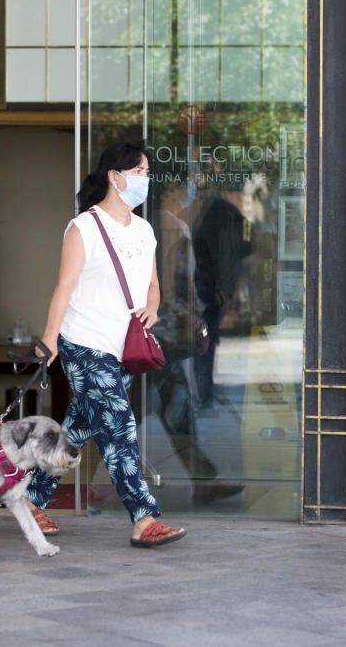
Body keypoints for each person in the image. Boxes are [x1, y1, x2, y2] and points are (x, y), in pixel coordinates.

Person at [27, 141, 186, 548]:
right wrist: (49, 339)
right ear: (116, 177)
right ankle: (143, 517)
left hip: (123, 349)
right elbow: (64, 286)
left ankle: (29, 499)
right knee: (120, 428)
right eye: (140, 173)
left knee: (78, 430)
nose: (146, 180)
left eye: (147, 173)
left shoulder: (145, 230)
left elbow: (153, 285)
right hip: (84, 343)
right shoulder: (84, 227)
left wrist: (153, 308)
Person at [152, 177, 244, 504]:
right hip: (157, 338)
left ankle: (204, 479)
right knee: (109, 415)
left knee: (173, 410)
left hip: (150, 337)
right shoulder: (173, 231)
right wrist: (193, 317)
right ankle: (56, 486)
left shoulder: (152, 227)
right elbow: (174, 293)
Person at [192, 175, 252, 410]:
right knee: (206, 340)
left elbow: (244, 242)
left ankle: (204, 395)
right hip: (212, 287)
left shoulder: (218, 212)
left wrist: (225, 285)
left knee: (204, 340)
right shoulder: (216, 211)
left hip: (210, 288)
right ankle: (204, 393)